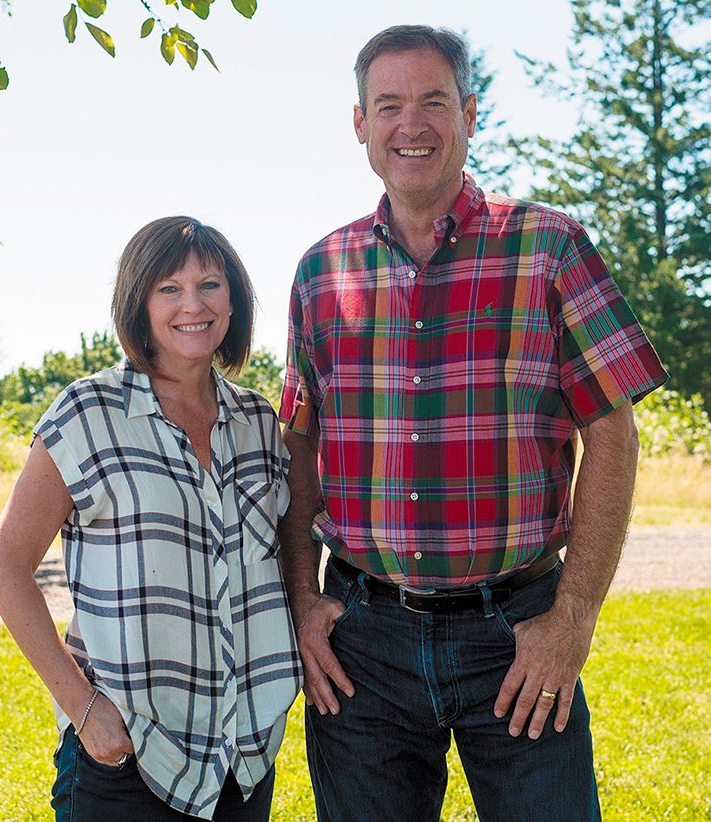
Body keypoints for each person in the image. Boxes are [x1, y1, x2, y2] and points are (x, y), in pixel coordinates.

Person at [278, 25, 668, 822]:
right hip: (364, 645)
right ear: (360, 123)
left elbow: (615, 431)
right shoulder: (322, 272)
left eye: (433, 102)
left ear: (471, 112)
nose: (410, 125)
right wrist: (299, 598)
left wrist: (572, 619)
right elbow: (299, 447)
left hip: (519, 634)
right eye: (388, 105)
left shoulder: (549, 248)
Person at [0, 216, 302, 821]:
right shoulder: (87, 413)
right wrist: (82, 708)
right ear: (139, 302)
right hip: (129, 758)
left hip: (244, 759)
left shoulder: (259, 424)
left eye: (210, 285)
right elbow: (5, 567)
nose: (193, 305)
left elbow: (283, 554)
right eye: (169, 288)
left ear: (233, 301)